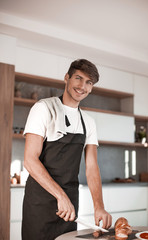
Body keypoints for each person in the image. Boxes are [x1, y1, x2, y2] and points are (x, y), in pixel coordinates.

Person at [22, 59, 112, 240]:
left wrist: (99, 206)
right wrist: (60, 196)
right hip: (40, 201)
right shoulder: (44, 108)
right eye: (78, 78)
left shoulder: (89, 122)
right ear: (67, 78)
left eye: (89, 82)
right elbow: (30, 160)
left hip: (69, 204)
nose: (82, 86)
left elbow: (92, 167)